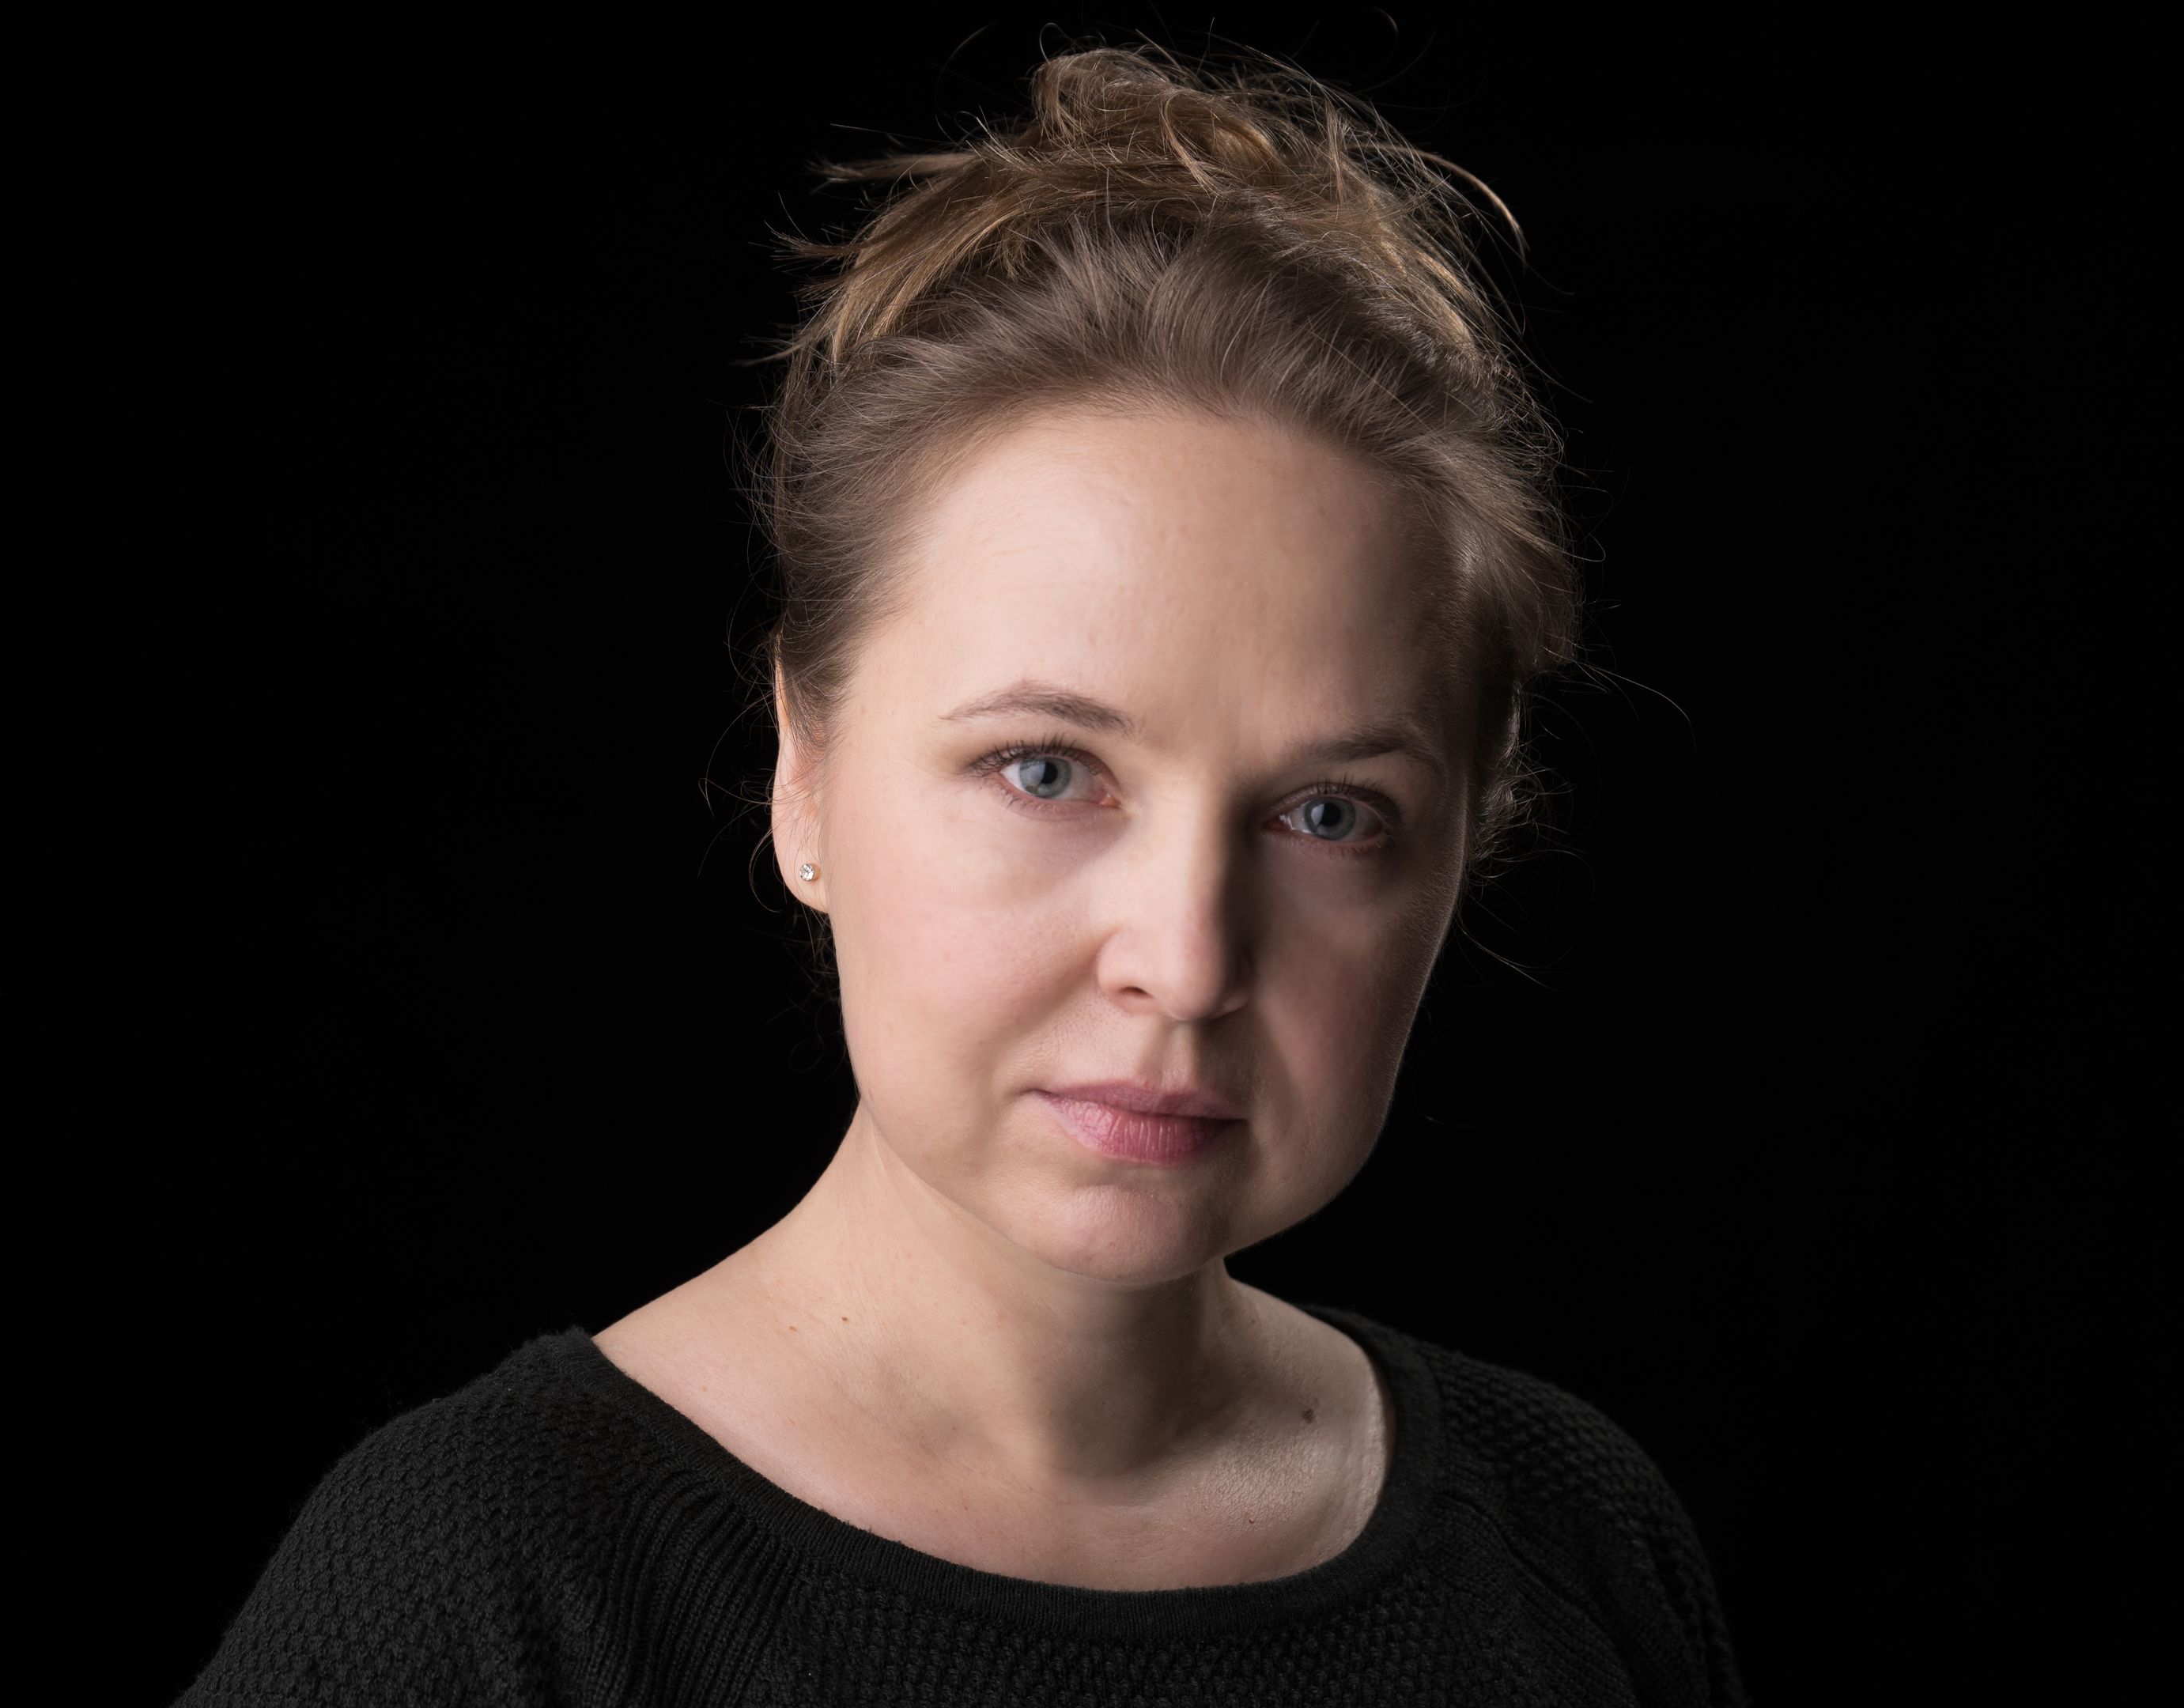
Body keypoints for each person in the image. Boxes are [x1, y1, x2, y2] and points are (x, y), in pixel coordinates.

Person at [179, 39, 1747, 1706]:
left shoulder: (1574, 1538)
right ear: (804, 771)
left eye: (1328, 816)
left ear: (1464, 845)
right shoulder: (479, 1587)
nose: (1185, 960)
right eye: (1045, 770)